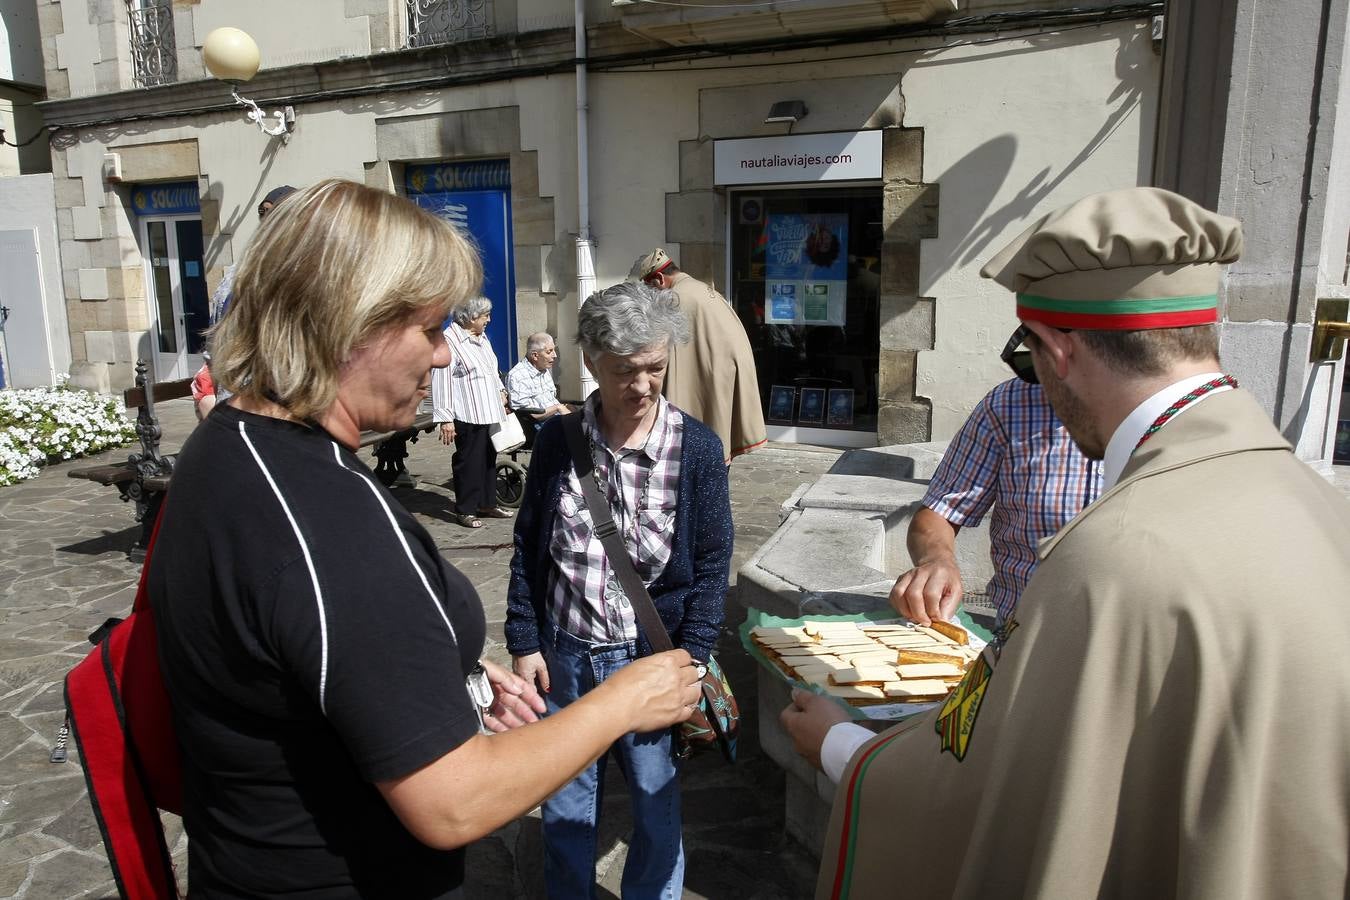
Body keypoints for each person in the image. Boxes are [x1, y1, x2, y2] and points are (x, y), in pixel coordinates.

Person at [782, 187, 1350, 897]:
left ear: (1057, 347)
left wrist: (845, 748)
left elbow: (1000, 797)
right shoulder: (1315, 501)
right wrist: (940, 558)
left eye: (1032, 356)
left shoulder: (1111, 559)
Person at [149, 179, 702, 898]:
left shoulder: (227, 447)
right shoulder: (329, 518)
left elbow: (309, 659)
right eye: (431, 329)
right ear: (351, 322)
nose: (443, 358)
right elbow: (455, 802)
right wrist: (622, 702)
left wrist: (454, 679)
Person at [506, 281, 733, 899]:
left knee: (656, 808)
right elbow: (529, 545)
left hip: (649, 659)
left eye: (656, 368)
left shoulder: (698, 450)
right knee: (566, 808)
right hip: (566, 655)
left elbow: (713, 565)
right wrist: (525, 639)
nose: (642, 386)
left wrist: (695, 653)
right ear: (590, 363)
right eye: (623, 372)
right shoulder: (558, 442)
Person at [889, 378, 1101, 627]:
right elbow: (939, 513)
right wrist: (937, 560)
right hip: (1019, 639)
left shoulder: (1158, 418)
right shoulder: (1011, 402)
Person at [631, 247, 767, 463]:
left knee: (698, 459)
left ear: (658, 278)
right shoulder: (703, 288)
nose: (651, 295)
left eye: (650, 288)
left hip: (706, 376)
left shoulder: (674, 298)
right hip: (723, 375)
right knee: (718, 447)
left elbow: (663, 356)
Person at [193, 184, 298, 419]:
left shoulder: (237, 273)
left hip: (240, 409)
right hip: (268, 412)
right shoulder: (286, 274)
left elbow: (213, 349)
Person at [430, 296, 513, 528]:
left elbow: (491, 369)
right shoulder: (450, 341)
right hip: (466, 412)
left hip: (488, 410)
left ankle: (486, 503)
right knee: (469, 461)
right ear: (470, 317)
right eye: (485, 315)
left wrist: (501, 391)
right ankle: (465, 509)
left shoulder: (481, 338)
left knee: (488, 458)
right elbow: (442, 380)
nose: (488, 319)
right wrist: (445, 418)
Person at [505, 331, 571, 424]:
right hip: (539, 424)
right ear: (535, 355)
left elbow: (552, 398)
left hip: (555, 417)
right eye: (549, 352)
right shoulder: (518, 375)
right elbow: (527, 414)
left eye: (554, 350)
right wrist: (558, 407)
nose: (555, 355)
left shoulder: (543, 369)